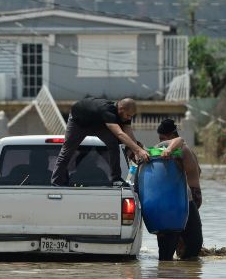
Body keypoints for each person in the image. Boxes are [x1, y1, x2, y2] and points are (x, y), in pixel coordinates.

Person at [51, 97, 149, 187]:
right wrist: (138, 150)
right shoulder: (108, 111)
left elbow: (128, 133)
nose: (129, 118)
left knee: (113, 144)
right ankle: (56, 182)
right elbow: (120, 134)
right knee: (67, 150)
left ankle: (116, 179)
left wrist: (136, 148)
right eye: (128, 115)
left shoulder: (124, 114)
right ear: (121, 108)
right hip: (78, 121)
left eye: (131, 116)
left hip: (98, 123)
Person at [152, 118, 203, 261]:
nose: (161, 141)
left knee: (181, 235)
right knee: (184, 236)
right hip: (194, 194)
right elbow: (198, 171)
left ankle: (174, 263)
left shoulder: (178, 148)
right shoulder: (188, 149)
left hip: (186, 196)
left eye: (162, 138)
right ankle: (181, 263)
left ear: (170, 136)